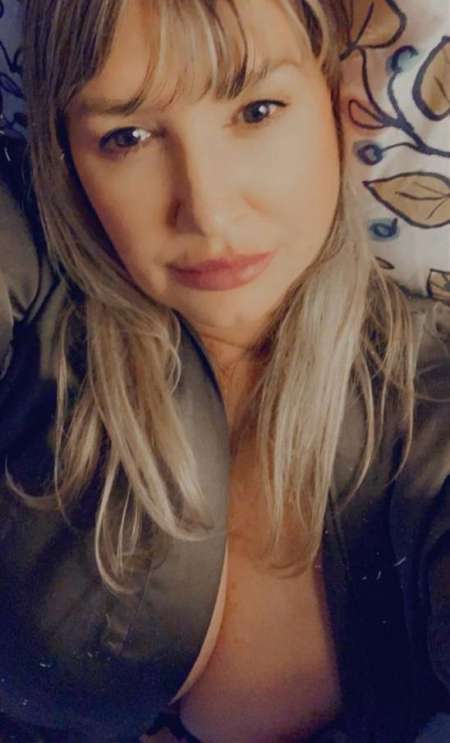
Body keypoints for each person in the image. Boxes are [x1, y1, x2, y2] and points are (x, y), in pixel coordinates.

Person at [0, 0, 448, 741]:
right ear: (65, 155)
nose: (207, 211)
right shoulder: (35, 278)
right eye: (127, 136)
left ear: (335, 97)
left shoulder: (428, 400)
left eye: (257, 110)